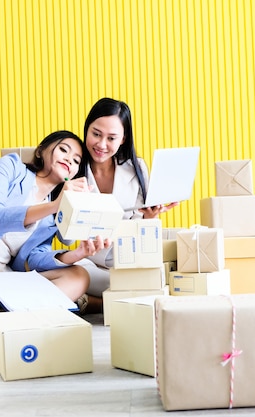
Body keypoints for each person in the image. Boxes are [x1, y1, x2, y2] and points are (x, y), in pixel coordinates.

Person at [0, 130, 110, 309]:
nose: (70, 159)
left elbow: (32, 260)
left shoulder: (51, 217)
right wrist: (55, 205)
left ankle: (14, 315)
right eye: (63, 150)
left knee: (79, 276)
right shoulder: (11, 167)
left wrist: (76, 254)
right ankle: (18, 313)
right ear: (40, 151)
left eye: (77, 160)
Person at [77, 98, 178, 307]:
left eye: (111, 138)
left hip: (128, 260)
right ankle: (112, 301)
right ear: (87, 129)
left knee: (159, 279)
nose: (101, 144)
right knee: (73, 275)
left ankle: (96, 303)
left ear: (123, 139)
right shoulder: (74, 166)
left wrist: (151, 217)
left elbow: (141, 224)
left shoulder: (136, 167)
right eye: (96, 134)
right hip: (89, 262)